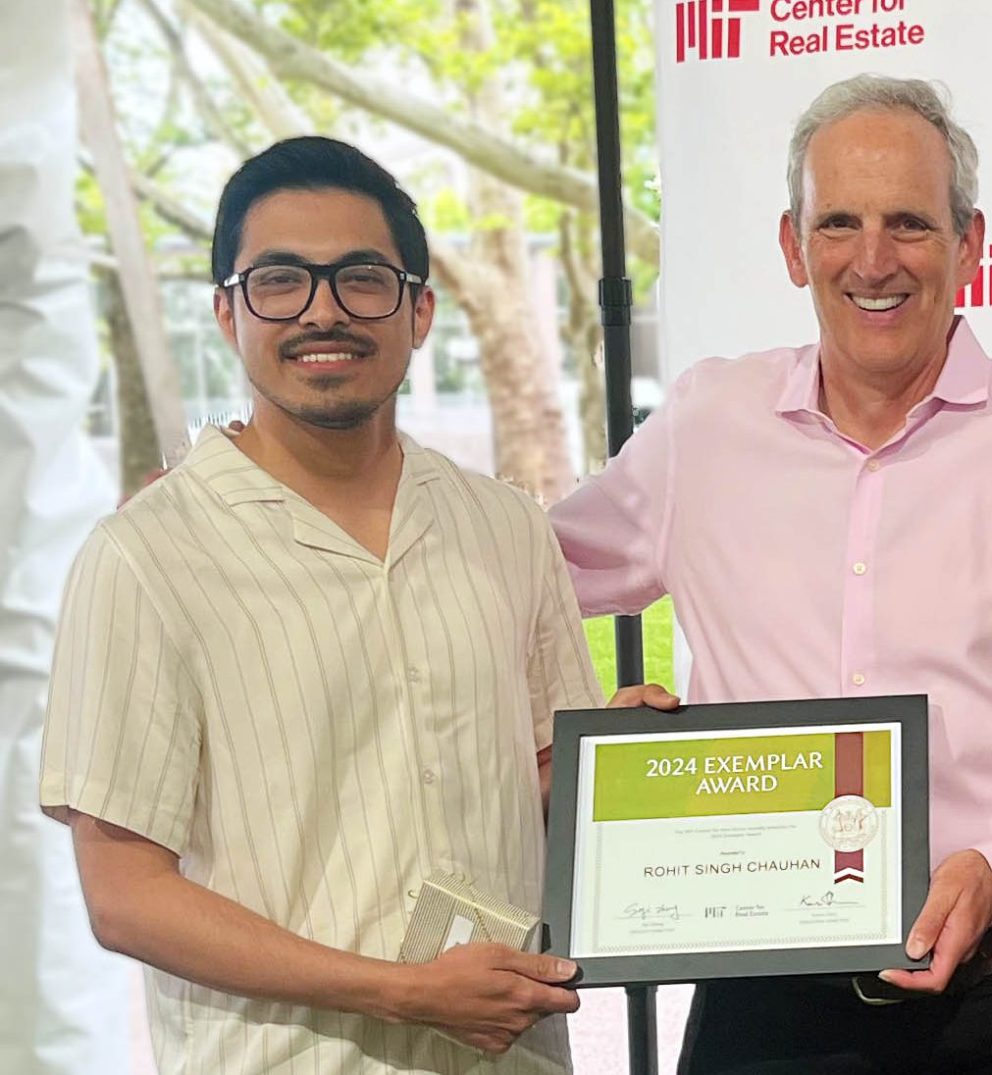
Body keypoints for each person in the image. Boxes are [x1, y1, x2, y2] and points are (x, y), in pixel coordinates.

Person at [549, 75, 992, 1074]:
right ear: (790, 243)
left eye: (909, 224)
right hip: (765, 1023)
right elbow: (508, 586)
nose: (872, 261)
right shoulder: (706, 429)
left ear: (968, 244)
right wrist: (590, 744)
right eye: (836, 222)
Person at [39, 135, 676, 1075]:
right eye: (281, 280)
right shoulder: (144, 558)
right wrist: (404, 992)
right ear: (227, 312)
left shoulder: (502, 526)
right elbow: (125, 894)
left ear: (419, 311)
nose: (323, 311)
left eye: (362, 279)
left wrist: (619, 769)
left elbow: (531, 779)